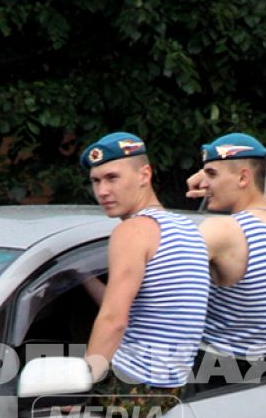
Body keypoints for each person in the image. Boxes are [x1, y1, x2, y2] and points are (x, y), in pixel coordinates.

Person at [79, 131, 208, 398]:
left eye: (113, 178)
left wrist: (81, 388)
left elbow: (114, 320)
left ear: (144, 175)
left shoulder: (133, 231)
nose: (103, 191)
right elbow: (147, 307)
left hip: (134, 387)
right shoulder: (185, 228)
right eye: (96, 181)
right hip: (170, 386)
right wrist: (82, 277)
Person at [185, 132, 266, 361]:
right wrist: (212, 188)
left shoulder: (224, 231)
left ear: (243, 178)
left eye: (211, 174)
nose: (203, 182)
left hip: (211, 371)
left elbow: (157, 279)